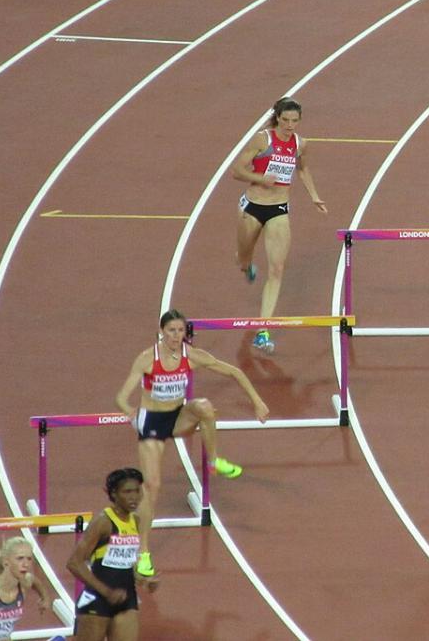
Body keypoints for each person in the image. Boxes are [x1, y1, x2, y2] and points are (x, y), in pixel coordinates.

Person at [115, 309, 269, 578]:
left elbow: (234, 372)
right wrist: (130, 412)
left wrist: (257, 401)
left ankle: (213, 461)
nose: (176, 336)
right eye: (171, 331)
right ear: (161, 332)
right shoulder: (147, 359)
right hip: (152, 423)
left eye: (180, 331)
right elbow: (120, 397)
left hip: (177, 418)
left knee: (204, 407)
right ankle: (143, 553)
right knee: (152, 487)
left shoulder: (192, 355)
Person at [231, 96, 327, 352]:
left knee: (277, 269)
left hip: (279, 210)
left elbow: (303, 169)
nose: (290, 125)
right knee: (243, 258)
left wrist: (314, 196)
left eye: (294, 121)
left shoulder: (300, 144)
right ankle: (245, 264)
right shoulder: (262, 140)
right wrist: (261, 178)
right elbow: (236, 170)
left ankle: (263, 331)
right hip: (252, 207)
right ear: (277, 118)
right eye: (285, 120)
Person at [66, 468, 155, 641]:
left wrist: (142, 579)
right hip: (97, 599)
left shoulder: (135, 521)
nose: (134, 497)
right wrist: (107, 592)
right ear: (114, 494)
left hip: (127, 599)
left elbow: (124, 562)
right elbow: (74, 563)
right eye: (127, 492)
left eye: (137, 491)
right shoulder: (103, 522)